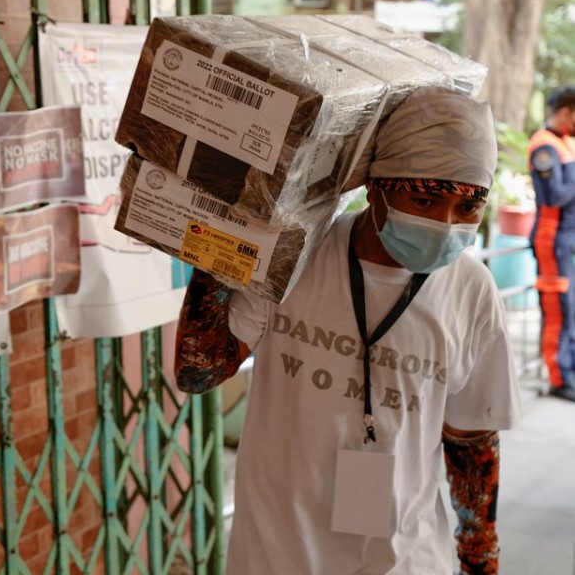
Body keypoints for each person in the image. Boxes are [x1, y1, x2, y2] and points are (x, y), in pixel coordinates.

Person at [175, 87, 522, 574]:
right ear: (377, 186)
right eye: (423, 200)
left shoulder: (472, 290)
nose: (446, 226)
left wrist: (480, 558)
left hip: (408, 561)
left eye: (469, 209)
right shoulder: (296, 256)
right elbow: (198, 372)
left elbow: (471, 440)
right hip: (277, 557)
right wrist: (218, 246)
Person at [528, 85, 575, 402]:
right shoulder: (544, 146)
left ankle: (568, 370)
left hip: (566, 239)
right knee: (558, 311)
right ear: (565, 113)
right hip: (551, 238)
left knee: (570, 309)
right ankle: (559, 378)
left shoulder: (565, 143)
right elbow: (555, 196)